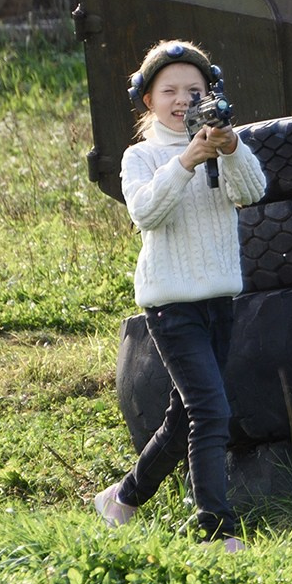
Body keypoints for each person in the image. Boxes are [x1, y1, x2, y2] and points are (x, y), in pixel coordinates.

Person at [91, 39, 267, 547]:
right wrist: (188, 159)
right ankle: (216, 529)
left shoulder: (224, 144)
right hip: (170, 304)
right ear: (148, 99)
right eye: (170, 90)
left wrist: (231, 150)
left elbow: (251, 192)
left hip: (218, 300)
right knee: (211, 410)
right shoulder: (140, 156)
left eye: (194, 89)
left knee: (184, 414)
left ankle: (121, 499)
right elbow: (146, 212)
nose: (183, 100)